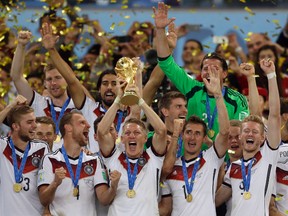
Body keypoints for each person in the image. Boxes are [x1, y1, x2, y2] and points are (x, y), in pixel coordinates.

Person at [153, 2, 249, 141]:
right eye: (205, 69)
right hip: (191, 158)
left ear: (224, 74)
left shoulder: (237, 100)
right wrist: (160, 30)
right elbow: (165, 62)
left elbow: (240, 134)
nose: (209, 72)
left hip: (224, 159)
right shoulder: (192, 88)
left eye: (214, 68)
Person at [40, 22, 130, 153]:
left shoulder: (129, 112)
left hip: (122, 170)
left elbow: (152, 84)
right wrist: (52, 50)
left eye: (114, 83)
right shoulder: (89, 109)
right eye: (105, 84)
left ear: (122, 87)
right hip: (91, 170)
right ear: (98, 89)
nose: (109, 87)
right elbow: (72, 81)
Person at [158, 59, 230, 215]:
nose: (192, 137)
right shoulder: (172, 166)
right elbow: (165, 206)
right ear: (183, 135)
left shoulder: (211, 158)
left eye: (197, 134)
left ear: (204, 139)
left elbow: (224, 132)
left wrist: (217, 94)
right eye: (189, 132)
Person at [215, 58, 281, 216]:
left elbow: (274, 116)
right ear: (240, 137)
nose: (250, 134)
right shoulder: (234, 168)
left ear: (263, 138)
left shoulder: (268, 157)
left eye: (255, 132)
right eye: (246, 131)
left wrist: (271, 75)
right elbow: (214, 201)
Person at [97, 80, 167, 215]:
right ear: (122, 139)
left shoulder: (153, 157)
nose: (132, 136)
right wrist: (118, 100)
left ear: (146, 138)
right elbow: (101, 131)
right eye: (127, 133)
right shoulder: (113, 157)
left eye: (137, 133)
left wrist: (140, 101)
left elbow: (161, 130)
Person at [37, 111, 121, 216]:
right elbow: (43, 200)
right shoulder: (50, 159)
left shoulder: (94, 161)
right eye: (82, 123)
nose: (89, 126)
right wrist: (55, 183)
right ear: (68, 128)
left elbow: (104, 200)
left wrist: (113, 186)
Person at [10, 30, 75, 151]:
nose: (53, 83)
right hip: (37, 164)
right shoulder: (38, 103)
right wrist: (21, 46)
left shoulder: (78, 107)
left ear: (67, 79)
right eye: (49, 79)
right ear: (45, 83)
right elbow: (17, 77)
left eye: (58, 78)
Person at [0, 104, 49, 215]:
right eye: (29, 122)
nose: (35, 125)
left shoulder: (42, 148)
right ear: (15, 126)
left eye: (35, 121)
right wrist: (11, 106)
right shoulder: (3, 146)